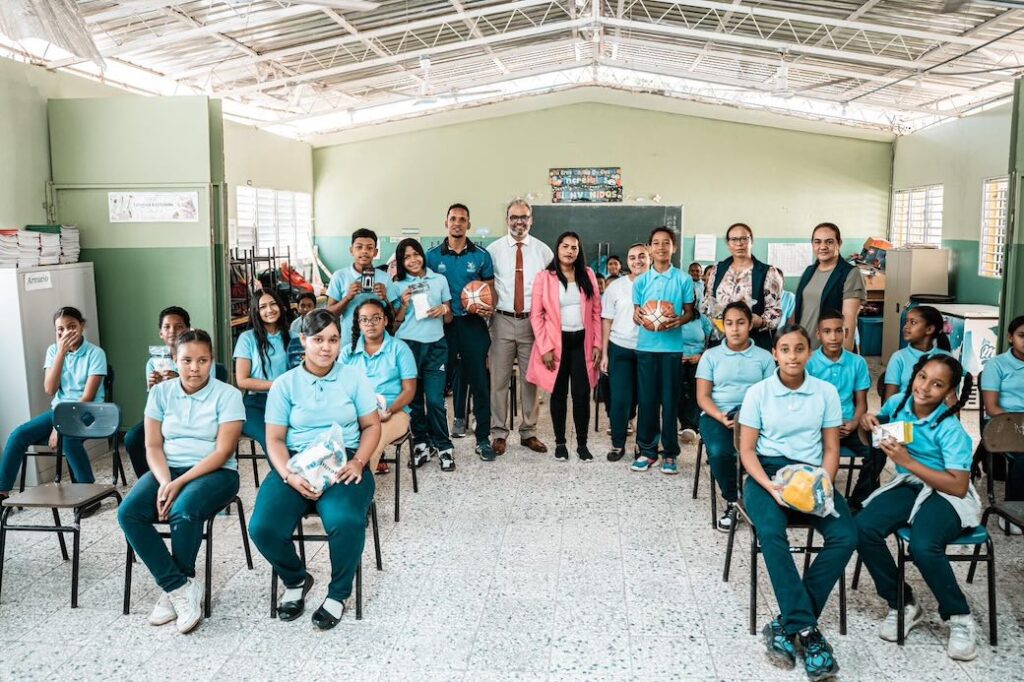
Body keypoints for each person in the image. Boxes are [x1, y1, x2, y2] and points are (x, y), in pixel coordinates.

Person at [248, 309, 381, 631]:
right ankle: (296, 579)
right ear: (303, 341)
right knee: (262, 527)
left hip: (343, 460)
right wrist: (289, 475)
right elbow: (275, 438)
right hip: (296, 462)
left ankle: (338, 593)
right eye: (318, 339)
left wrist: (358, 461)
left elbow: (372, 426)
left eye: (333, 340)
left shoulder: (354, 378)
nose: (326, 347)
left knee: (345, 520)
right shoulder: (285, 384)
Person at [738, 325, 857, 681]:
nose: (792, 356)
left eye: (799, 349)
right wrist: (770, 487)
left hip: (811, 474)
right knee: (771, 532)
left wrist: (824, 480)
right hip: (767, 472)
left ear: (809, 352)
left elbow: (832, 446)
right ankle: (807, 630)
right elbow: (746, 450)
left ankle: (788, 623)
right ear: (775, 353)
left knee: (846, 535)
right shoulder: (759, 392)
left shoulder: (825, 392)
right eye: (785, 349)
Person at [117, 330, 245, 634]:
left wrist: (178, 484)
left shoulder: (228, 395)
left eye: (202, 360)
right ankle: (179, 587)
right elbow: (152, 446)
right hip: (168, 469)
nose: (194, 368)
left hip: (217, 472)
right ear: (175, 359)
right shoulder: (161, 393)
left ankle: (176, 584)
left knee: (183, 510)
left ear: (212, 361)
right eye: (187, 360)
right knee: (128, 513)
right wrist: (164, 481)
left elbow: (223, 451)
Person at [855, 354, 980, 661]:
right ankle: (903, 602)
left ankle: (959, 617)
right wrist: (865, 424)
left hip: (948, 493)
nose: (924, 388)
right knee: (861, 528)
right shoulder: (898, 404)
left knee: (924, 545)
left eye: (937, 384)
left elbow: (958, 485)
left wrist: (908, 461)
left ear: (949, 393)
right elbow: (872, 440)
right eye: (922, 377)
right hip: (911, 484)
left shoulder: (950, 429)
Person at [0, 306, 107, 500]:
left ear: (82, 326)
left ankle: (90, 494)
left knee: (67, 438)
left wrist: (59, 427)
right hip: (59, 411)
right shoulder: (53, 351)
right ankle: (2, 492)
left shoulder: (96, 353)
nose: (66, 332)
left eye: (71, 326)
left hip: (88, 411)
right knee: (18, 435)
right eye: (60, 329)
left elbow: (88, 397)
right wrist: (61, 353)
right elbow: (50, 389)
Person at [425, 203, 497, 461]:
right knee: (437, 385)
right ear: (446, 222)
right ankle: (437, 439)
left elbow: (491, 293)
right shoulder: (432, 256)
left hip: (472, 323)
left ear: (469, 224)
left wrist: (487, 306)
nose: (457, 223)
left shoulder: (481, 255)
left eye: (462, 219)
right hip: (442, 325)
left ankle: (483, 439)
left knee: (480, 382)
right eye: (453, 218)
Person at [696, 302, 774, 531]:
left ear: (750, 325)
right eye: (729, 323)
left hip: (755, 416)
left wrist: (752, 418)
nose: (735, 329)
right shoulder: (710, 356)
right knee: (720, 451)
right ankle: (733, 501)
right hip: (717, 414)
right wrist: (721, 417)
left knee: (772, 449)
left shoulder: (764, 357)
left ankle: (761, 497)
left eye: (741, 322)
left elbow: (770, 394)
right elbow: (703, 397)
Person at [526, 232, 602, 462]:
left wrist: (598, 342)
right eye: (565, 246)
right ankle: (560, 443)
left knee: (581, 394)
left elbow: (597, 311)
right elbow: (536, 315)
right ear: (557, 249)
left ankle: (581, 444)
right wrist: (545, 347)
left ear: (579, 251)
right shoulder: (545, 277)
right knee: (558, 394)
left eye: (574, 248)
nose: (570, 251)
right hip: (555, 344)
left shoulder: (587, 274)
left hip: (582, 342)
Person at [486, 199, 552, 456]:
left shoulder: (544, 252)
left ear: (531, 219)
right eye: (514, 217)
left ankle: (529, 432)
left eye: (524, 217)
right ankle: (499, 432)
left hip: (532, 322)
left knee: (530, 380)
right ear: (507, 220)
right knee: (499, 380)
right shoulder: (493, 250)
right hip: (501, 320)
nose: (519, 221)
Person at [630, 226, 695, 475]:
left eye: (666, 243)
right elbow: (638, 315)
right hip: (646, 347)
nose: (660, 247)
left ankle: (670, 453)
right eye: (655, 243)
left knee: (669, 402)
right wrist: (639, 317)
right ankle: (647, 451)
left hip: (672, 349)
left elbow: (689, 311)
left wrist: (680, 319)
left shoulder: (683, 279)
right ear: (649, 248)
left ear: (674, 247)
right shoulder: (641, 281)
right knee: (647, 402)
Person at [392, 238, 455, 471]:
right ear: (401, 261)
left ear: (422, 255)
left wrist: (445, 309)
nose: (412, 260)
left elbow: (449, 317)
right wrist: (404, 304)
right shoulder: (397, 285)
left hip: (436, 347)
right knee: (415, 402)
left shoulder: (439, 280)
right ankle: (421, 443)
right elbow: (394, 326)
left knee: (436, 401)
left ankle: (444, 447)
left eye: (416, 254)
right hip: (407, 348)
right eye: (406, 257)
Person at [806, 311, 873, 509]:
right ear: (818, 335)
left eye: (838, 331)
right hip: (819, 427)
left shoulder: (857, 362)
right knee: (811, 454)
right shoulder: (809, 363)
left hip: (848, 426)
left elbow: (861, 402)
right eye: (827, 331)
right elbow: (806, 403)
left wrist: (853, 423)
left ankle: (858, 502)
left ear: (846, 332)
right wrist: (826, 425)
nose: (833, 337)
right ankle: (824, 498)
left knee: (877, 450)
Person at [342, 299, 417, 475]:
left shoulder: (400, 349)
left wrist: (388, 410)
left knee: (373, 438)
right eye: (364, 319)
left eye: (376, 318)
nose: (370, 324)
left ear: (385, 320)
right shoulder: (347, 352)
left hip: (393, 413)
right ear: (358, 324)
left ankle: (364, 494)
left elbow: (409, 390)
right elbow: (339, 389)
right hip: (356, 414)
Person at [125, 306, 191, 478]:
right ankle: (150, 481)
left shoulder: (198, 357)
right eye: (167, 327)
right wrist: (155, 387)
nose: (172, 331)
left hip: (191, 414)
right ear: (160, 333)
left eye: (179, 326)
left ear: (188, 330)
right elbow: (154, 404)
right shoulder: (154, 362)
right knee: (132, 438)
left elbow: (206, 390)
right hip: (163, 415)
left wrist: (179, 380)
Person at [600, 243, 649, 461]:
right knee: (619, 399)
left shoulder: (657, 284)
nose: (637, 261)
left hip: (649, 349)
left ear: (650, 258)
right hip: (619, 348)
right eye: (632, 257)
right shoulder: (616, 287)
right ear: (626, 261)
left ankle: (643, 445)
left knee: (645, 400)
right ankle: (618, 444)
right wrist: (604, 353)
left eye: (641, 256)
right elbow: (607, 320)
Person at [701, 223, 785, 350]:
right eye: (734, 239)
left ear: (752, 241)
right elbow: (708, 302)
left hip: (755, 342)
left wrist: (761, 322)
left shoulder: (769, 273)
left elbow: (775, 312)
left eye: (744, 238)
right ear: (728, 244)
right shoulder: (717, 270)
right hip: (720, 342)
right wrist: (713, 318)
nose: (739, 243)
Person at [234, 290, 291, 460]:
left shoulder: (294, 337)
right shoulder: (247, 338)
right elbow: (242, 380)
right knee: (272, 441)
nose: (270, 310)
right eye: (263, 307)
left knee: (294, 439)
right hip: (255, 404)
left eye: (273, 304)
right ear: (256, 312)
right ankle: (289, 479)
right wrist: (276, 385)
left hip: (288, 402)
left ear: (281, 307)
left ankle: (295, 478)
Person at [793, 223, 865, 351]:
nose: (823, 247)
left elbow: (849, 318)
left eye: (829, 242)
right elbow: (798, 310)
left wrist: (845, 357)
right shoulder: (809, 271)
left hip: (830, 351)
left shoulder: (850, 273)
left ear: (839, 243)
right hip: (804, 348)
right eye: (817, 242)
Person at [979, 314, 1024, 519]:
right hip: (1003, 423)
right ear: (1010, 338)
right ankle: (1013, 514)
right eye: (1022, 335)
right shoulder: (997, 365)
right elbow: (991, 407)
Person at [325, 228, 400, 348]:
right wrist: (347, 298)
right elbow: (329, 314)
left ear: (375, 252)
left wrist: (385, 298)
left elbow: (394, 316)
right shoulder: (339, 276)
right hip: (349, 344)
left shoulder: (384, 277)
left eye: (369, 248)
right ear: (351, 250)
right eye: (359, 247)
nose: (364, 251)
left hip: (379, 344)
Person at [883, 305, 953, 400]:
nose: (906, 327)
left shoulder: (946, 358)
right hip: (904, 413)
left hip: (936, 413)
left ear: (929, 329)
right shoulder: (899, 357)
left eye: (913, 322)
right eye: (906, 322)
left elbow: (951, 399)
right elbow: (890, 400)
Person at [678, 302, 712, 444]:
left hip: (698, 359)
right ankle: (684, 422)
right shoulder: (673, 316)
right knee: (676, 386)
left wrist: (701, 355)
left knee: (697, 385)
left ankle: (692, 426)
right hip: (676, 357)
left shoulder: (702, 319)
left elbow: (710, 341)